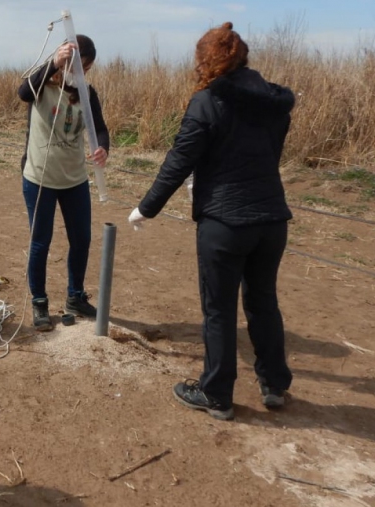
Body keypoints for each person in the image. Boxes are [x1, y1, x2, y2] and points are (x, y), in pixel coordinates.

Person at [128, 22, 295, 420]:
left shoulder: (207, 101)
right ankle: (274, 383)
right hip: (272, 219)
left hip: (225, 222)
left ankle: (216, 393)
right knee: (263, 301)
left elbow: (179, 162)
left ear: (207, 60)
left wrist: (146, 207)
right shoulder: (275, 101)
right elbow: (265, 156)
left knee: (218, 309)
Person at [18, 34, 110, 331]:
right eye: (77, 65)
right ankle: (40, 302)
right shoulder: (41, 85)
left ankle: (75, 297)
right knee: (40, 242)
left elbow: (100, 129)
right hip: (40, 178)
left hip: (75, 179)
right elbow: (22, 93)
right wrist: (52, 63)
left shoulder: (87, 93)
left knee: (81, 239)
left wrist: (103, 148)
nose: (81, 72)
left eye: (87, 67)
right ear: (65, 59)